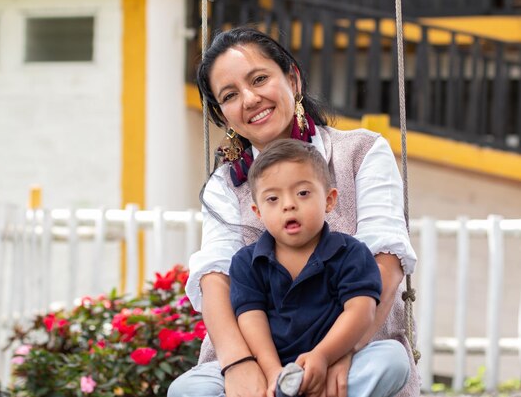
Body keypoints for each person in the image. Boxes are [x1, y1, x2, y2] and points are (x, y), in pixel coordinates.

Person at [167, 26, 418, 397]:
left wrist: (337, 353)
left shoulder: (361, 152)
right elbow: (216, 279)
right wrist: (241, 366)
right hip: (258, 357)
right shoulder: (226, 185)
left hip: (354, 350)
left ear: (293, 79)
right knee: (189, 391)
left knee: (388, 363)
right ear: (223, 115)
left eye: (259, 79)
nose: (250, 99)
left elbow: (386, 259)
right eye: (231, 95)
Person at [228, 138, 409, 397]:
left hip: (331, 359)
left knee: (393, 359)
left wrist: (324, 356)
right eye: (272, 198)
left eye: (302, 193)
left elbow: (362, 310)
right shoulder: (247, 262)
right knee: (189, 386)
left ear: (329, 200)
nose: (288, 204)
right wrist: (271, 372)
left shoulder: (350, 253)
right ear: (258, 212)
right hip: (269, 368)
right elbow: (251, 317)